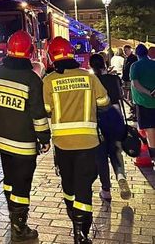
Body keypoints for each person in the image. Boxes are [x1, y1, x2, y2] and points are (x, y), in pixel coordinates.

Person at [0, 30, 50, 242]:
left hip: (3, 141)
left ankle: (13, 216)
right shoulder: (32, 79)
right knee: (22, 184)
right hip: (24, 144)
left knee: (10, 180)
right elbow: (38, 114)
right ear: (29, 52)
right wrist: (45, 138)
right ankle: (20, 228)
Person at [43, 37, 110, 244]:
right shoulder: (88, 77)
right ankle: (82, 231)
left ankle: (75, 222)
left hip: (62, 144)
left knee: (69, 186)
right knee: (84, 187)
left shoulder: (48, 80)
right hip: (88, 143)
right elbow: (105, 102)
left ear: (52, 57)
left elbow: (45, 110)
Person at [89, 54, 130, 202]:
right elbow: (120, 98)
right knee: (115, 151)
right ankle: (121, 176)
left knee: (101, 156)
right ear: (104, 63)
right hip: (115, 118)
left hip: (98, 121)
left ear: (91, 66)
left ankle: (106, 190)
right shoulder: (114, 79)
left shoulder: (91, 81)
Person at [131, 44, 155, 163]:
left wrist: (148, 92)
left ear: (137, 54)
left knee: (149, 129)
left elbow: (135, 84)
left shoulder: (135, 66)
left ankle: (153, 155)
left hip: (143, 102)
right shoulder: (153, 64)